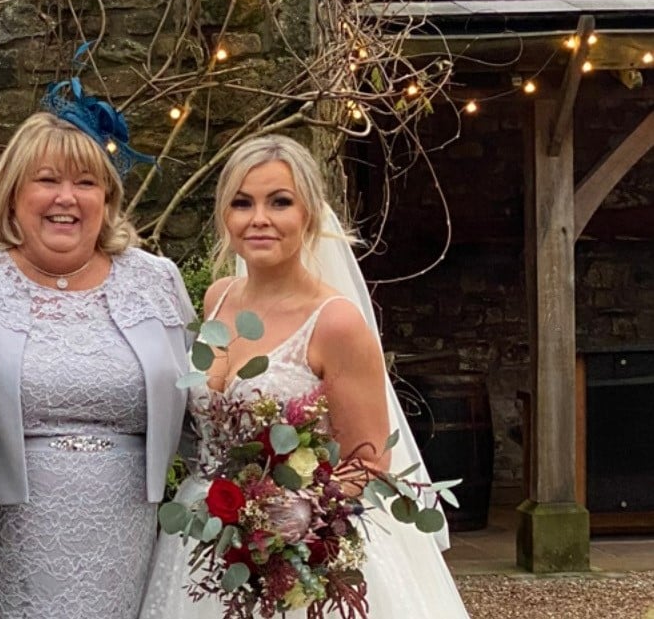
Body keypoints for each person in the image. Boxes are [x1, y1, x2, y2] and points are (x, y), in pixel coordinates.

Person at [139, 134, 469, 618]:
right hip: (199, 535)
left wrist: (294, 515)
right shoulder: (219, 299)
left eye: (280, 202)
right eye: (242, 203)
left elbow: (370, 458)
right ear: (225, 217)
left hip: (293, 545)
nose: (259, 219)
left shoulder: (335, 322)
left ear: (309, 214)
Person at [0, 111, 195, 619]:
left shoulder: (156, 280)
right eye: (47, 180)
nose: (66, 198)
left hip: (128, 536)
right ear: (12, 194)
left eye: (86, 183)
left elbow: (199, 402)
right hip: (10, 543)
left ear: (107, 199)